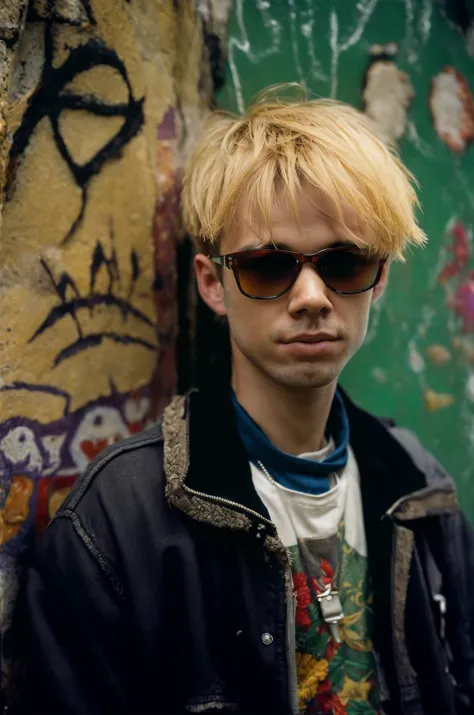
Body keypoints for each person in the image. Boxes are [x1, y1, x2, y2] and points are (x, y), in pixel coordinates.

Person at [18, 87, 474, 715]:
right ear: (213, 283)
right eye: (268, 266)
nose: (312, 296)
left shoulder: (422, 491)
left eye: (343, 263)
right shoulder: (117, 523)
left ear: (379, 278)